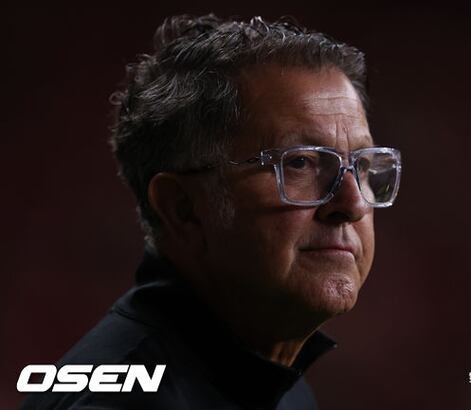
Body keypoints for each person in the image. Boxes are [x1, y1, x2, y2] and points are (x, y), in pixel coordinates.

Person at [19, 13, 401, 410]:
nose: (353, 204)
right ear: (183, 208)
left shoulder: (279, 385)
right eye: (300, 163)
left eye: (361, 166)